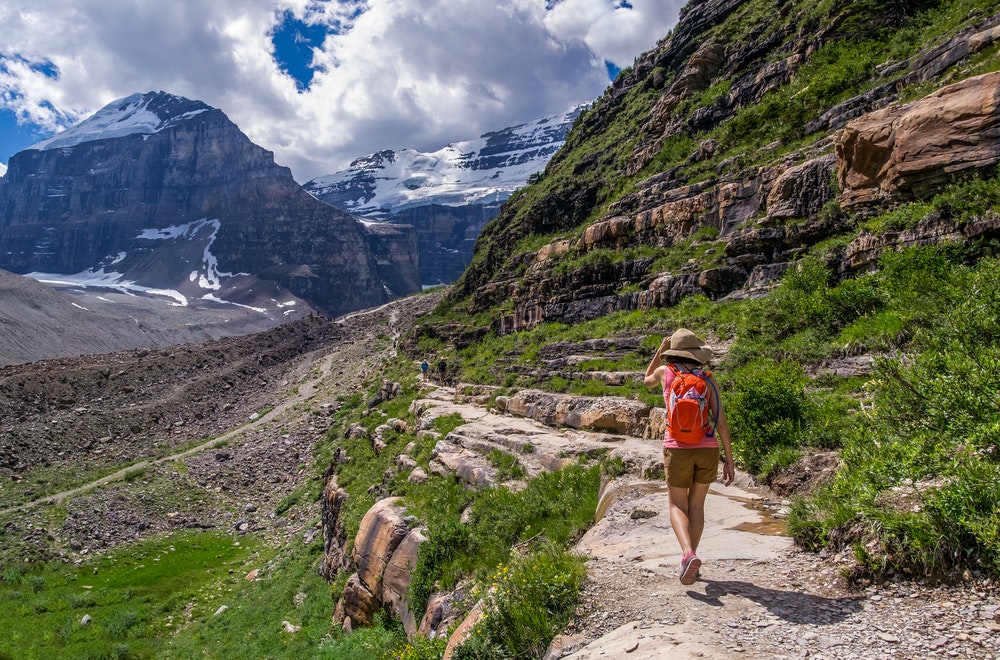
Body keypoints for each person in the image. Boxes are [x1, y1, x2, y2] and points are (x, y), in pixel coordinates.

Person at [644, 328, 734, 586]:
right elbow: (722, 422)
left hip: (677, 448)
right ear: (696, 354)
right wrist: (729, 460)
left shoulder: (666, 373)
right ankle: (691, 558)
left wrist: (659, 353)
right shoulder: (707, 378)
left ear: (672, 352)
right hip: (707, 448)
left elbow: (645, 379)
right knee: (696, 506)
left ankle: (687, 555)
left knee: (676, 505)